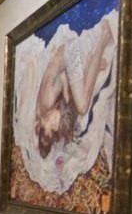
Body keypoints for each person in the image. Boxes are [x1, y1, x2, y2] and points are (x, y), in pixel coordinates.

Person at [34, 16, 117, 159]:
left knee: (82, 106)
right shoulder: (41, 113)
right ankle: (92, 65)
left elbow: (63, 75)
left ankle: (104, 36)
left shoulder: (48, 101)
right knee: (78, 105)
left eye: (50, 123)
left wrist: (67, 93)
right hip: (64, 59)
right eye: (53, 127)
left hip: (69, 52)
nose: (53, 121)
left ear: (44, 123)